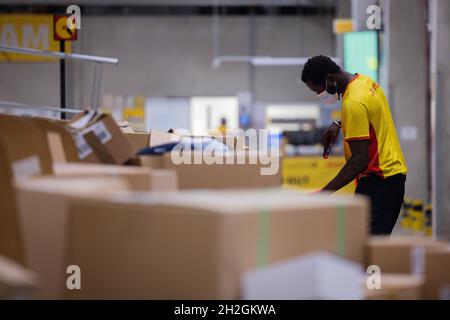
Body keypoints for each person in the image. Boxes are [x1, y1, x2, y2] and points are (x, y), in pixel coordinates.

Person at [300, 55, 408, 235]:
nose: (321, 95)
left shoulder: (353, 102)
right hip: (392, 176)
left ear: (330, 79)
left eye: (319, 91)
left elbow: (359, 160)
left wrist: (324, 193)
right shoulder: (365, 83)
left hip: (379, 180)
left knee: (367, 247)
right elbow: (368, 114)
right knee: (368, 243)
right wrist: (339, 124)